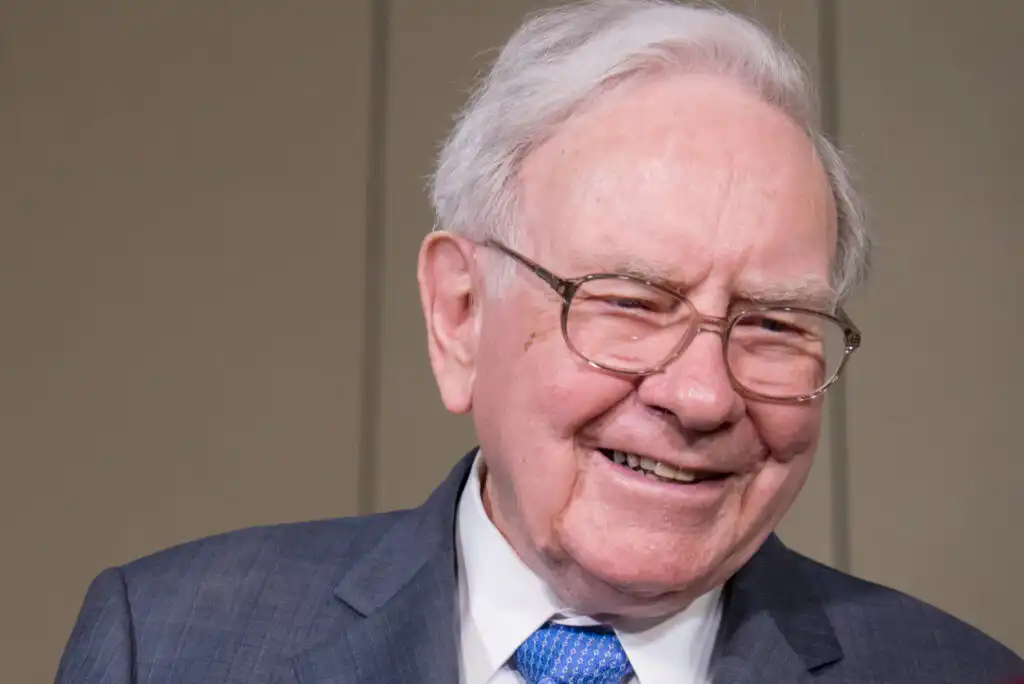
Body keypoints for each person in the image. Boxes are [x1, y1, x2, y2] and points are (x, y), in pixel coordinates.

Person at [56, 1, 1022, 683]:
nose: (701, 397)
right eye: (632, 302)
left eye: (771, 323)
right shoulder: (174, 646)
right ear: (460, 314)